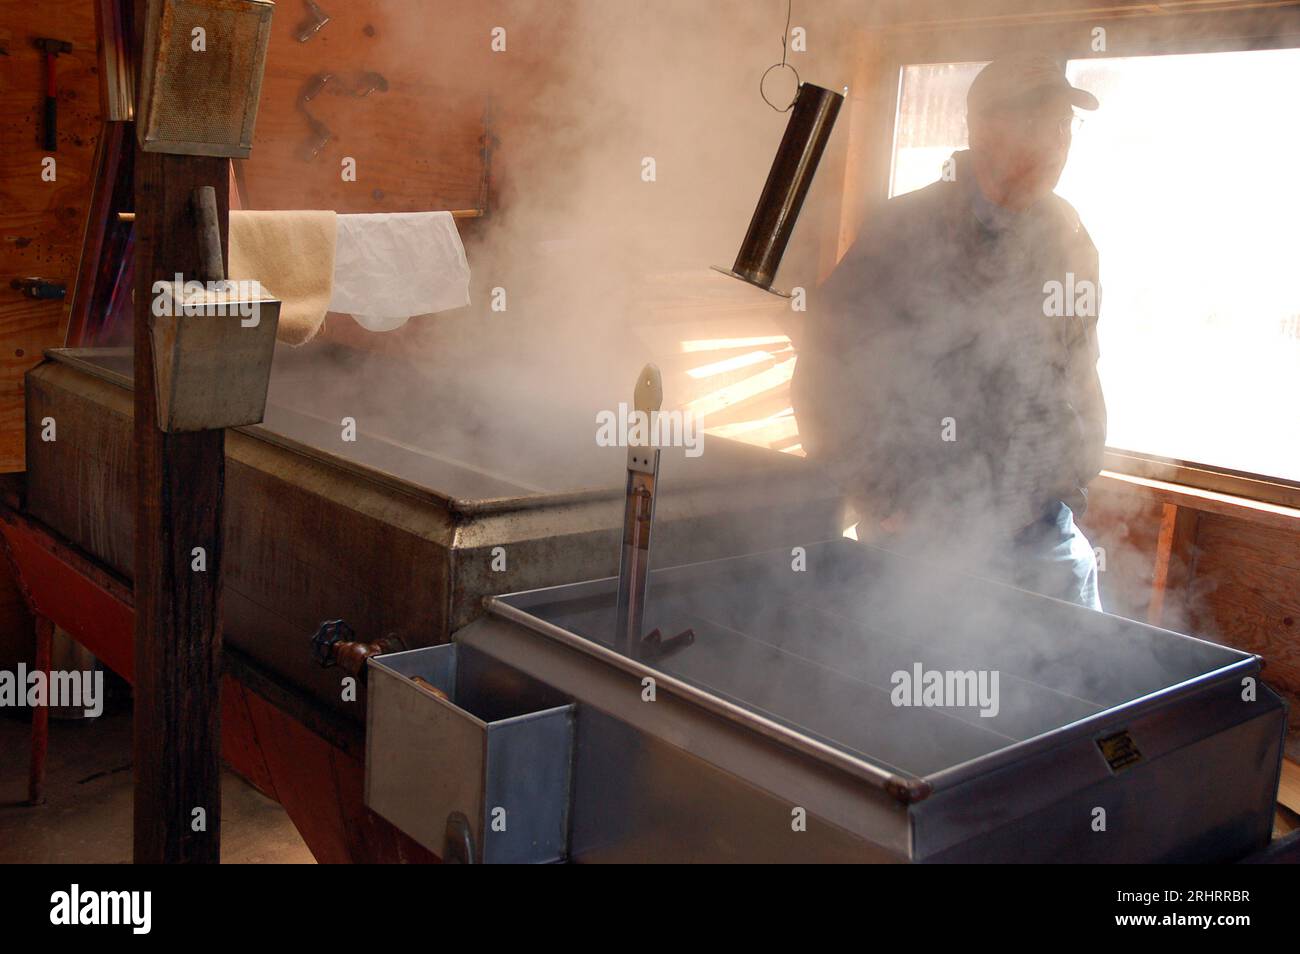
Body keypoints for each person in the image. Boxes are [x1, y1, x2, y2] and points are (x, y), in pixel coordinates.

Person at [791, 54, 1107, 609]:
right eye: (1040, 123)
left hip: (1043, 529)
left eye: (1065, 126)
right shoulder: (902, 232)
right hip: (924, 532)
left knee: (1077, 686)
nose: (1059, 143)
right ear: (985, 128)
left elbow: (1081, 369)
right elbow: (823, 367)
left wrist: (1074, 480)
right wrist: (878, 494)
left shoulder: (1070, 238)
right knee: (929, 685)